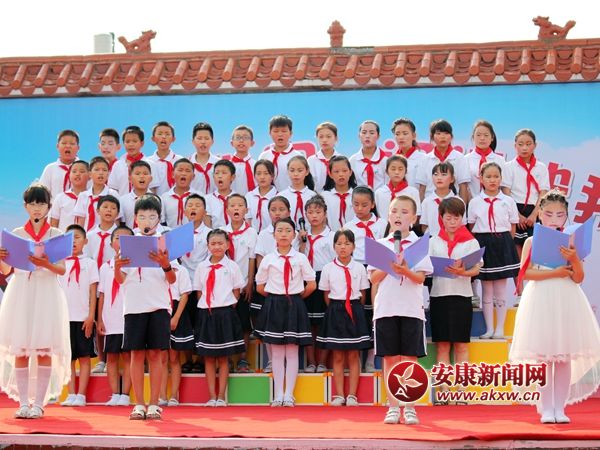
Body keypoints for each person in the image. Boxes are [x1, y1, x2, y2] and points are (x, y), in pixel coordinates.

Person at [510, 189, 600, 424]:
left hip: (566, 300)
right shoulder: (531, 241)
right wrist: (555, 273)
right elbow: (525, 274)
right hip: (541, 299)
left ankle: (560, 408)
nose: (553, 219)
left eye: (559, 215)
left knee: (563, 357)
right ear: (539, 214)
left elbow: (578, 277)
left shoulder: (571, 242)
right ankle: (546, 408)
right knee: (544, 357)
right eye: (548, 214)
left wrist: (573, 259)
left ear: (566, 216)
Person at [0, 184, 70, 419]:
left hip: (46, 292)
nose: (37, 208)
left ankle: (39, 404)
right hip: (21, 292)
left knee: (43, 349)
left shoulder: (56, 234)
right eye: (32, 204)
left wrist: (46, 264)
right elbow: (7, 270)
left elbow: (61, 269)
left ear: (49, 207)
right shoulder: (17, 233)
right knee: (20, 349)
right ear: (25, 207)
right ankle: (23, 403)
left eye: (41, 203)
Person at [369, 195, 433, 425]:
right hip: (386, 308)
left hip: (411, 308)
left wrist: (405, 270)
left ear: (414, 218)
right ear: (388, 215)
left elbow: (421, 278)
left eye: (405, 212)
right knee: (390, 359)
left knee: (409, 359)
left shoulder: (419, 245)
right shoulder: (380, 244)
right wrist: (389, 265)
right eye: (394, 211)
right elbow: (373, 278)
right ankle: (393, 407)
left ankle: (410, 407)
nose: (398, 216)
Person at [114, 194, 176, 420]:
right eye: (142, 217)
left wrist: (165, 264)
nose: (147, 221)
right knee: (136, 354)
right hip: (134, 306)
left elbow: (172, 280)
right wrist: (116, 267)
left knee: (156, 355)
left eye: (151, 216)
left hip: (158, 305)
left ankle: (154, 403)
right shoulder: (128, 244)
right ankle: (139, 403)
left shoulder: (165, 244)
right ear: (135, 219)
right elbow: (121, 280)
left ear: (159, 218)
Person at [255, 217, 316, 406]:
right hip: (274, 304)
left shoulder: (300, 258)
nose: (283, 234)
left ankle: (289, 394)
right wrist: (276, 298)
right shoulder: (268, 259)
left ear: (295, 235)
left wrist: (296, 298)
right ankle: (278, 394)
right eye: (279, 231)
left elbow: (311, 284)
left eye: (288, 231)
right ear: (273, 235)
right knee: (276, 353)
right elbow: (260, 286)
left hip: (294, 304)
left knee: (291, 351)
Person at [428, 197, 481, 404]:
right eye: (448, 218)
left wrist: (463, 272)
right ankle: (444, 391)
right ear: (441, 218)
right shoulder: (433, 241)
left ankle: (461, 391)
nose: (452, 222)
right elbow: (426, 268)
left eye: (456, 218)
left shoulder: (471, 241)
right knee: (442, 346)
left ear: (462, 218)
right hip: (439, 296)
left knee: (461, 346)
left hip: (462, 297)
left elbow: (477, 268)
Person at [317, 229, 371, 406]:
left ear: (354, 246)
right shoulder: (328, 268)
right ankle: (339, 395)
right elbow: (326, 295)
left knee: (354, 355)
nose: (343, 247)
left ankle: (352, 395)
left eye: (347, 243)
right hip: (335, 310)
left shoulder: (359, 268)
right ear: (334, 246)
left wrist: (355, 309)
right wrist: (336, 308)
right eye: (339, 243)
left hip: (354, 310)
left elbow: (363, 293)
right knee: (338, 356)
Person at [193, 229, 246, 406]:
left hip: (225, 314)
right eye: (213, 243)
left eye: (220, 243)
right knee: (208, 357)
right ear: (208, 246)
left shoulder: (232, 266)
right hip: (206, 314)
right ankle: (211, 396)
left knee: (223, 357)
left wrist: (226, 306)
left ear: (228, 245)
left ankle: (221, 396)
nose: (217, 247)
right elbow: (199, 291)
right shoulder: (201, 267)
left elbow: (237, 292)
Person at [468, 162, 520, 339]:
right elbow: (472, 227)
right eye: (488, 176)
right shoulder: (475, 202)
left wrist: (504, 243)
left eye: (496, 176)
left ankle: (500, 329)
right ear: (481, 179)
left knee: (500, 290)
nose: (492, 180)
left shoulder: (508, 201)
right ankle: (489, 328)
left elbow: (513, 227)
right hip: (483, 243)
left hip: (502, 242)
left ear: (501, 179)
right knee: (486, 290)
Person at [501, 129, 550, 295]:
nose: (524, 148)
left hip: (535, 211)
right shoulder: (508, 167)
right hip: (515, 210)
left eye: (528, 144)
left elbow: (543, 192)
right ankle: (520, 294)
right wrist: (517, 215)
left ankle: (535, 292)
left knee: (535, 255)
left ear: (535, 145)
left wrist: (535, 214)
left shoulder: (541, 167)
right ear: (515, 146)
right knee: (517, 256)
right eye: (520, 144)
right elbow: (506, 192)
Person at [59, 224, 99, 407]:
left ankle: (81, 395)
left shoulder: (90, 264)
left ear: (85, 241)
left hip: (83, 318)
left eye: (77, 237)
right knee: (68, 358)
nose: (73, 241)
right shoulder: (60, 264)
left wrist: (91, 316)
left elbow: (93, 291)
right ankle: (70, 393)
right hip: (63, 317)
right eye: (70, 238)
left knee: (84, 357)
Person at [297, 195, 335, 373]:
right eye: (310, 212)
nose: (314, 216)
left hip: (324, 279)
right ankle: (311, 361)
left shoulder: (331, 236)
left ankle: (322, 362)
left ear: (325, 214)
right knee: (308, 324)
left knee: (324, 324)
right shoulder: (301, 237)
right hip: (306, 279)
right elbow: (298, 257)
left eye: (318, 212)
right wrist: (301, 242)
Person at [97, 226, 133, 407]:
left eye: (126, 238)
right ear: (111, 244)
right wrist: (100, 319)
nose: (122, 242)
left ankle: (125, 394)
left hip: (128, 317)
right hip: (111, 318)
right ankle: (114, 393)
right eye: (118, 238)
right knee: (111, 357)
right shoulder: (105, 267)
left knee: (127, 357)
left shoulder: (135, 265)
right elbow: (102, 294)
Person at [222, 194, 258, 373]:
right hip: (225, 287)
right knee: (227, 323)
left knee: (244, 323)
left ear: (246, 210)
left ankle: (243, 359)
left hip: (243, 285)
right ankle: (228, 358)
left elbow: (252, 258)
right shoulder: (222, 232)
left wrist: (250, 282)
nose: (236, 208)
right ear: (227, 210)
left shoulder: (251, 232)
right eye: (232, 205)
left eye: (240, 205)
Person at [160, 259, 194, 407]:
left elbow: (184, 295)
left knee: (174, 357)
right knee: (161, 358)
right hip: (159, 309)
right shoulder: (155, 269)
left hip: (176, 310)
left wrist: (176, 318)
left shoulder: (181, 270)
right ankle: (161, 395)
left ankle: (174, 395)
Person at [415, 120, 470, 205]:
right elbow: (422, 188)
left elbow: (463, 187)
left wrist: (462, 209)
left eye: (446, 133)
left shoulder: (460, 158)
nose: (442, 136)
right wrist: (421, 209)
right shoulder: (425, 159)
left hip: (453, 205)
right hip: (430, 204)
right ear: (432, 137)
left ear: (451, 136)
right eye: (438, 133)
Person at [108, 126, 159, 196]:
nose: (131, 144)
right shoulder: (118, 165)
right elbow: (113, 189)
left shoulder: (151, 164)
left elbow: (153, 189)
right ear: (123, 143)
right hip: (122, 202)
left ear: (142, 143)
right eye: (127, 141)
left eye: (134, 141)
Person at [420, 162, 466, 237]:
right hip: (432, 239)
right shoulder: (427, 202)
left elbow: (462, 225)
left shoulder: (459, 201)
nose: (439, 178)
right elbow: (424, 226)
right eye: (436, 174)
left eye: (444, 174)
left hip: (453, 239)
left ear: (452, 179)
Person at [258, 115, 301, 191]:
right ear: (270, 133)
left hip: (291, 196)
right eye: (276, 131)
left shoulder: (298, 156)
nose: (280, 134)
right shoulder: (264, 156)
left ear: (291, 133)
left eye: (284, 131)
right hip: (268, 196)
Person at [465, 120, 505, 197]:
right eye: (478, 135)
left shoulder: (500, 160)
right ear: (473, 137)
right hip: (472, 202)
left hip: (495, 202)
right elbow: (464, 186)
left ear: (492, 138)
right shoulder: (465, 159)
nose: (482, 138)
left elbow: (503, 186)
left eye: (486, 135)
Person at [375, 155, 421, 222]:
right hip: (384, 227)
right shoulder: (379, 192)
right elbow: (379, 215)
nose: (397, 172)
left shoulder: (413, 192)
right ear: (387, 171)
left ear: (406, 171)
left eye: (400, 169)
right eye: (393, 169)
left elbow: (416, 215)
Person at [49, 160, 89, 231]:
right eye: (74, 171)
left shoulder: (91, 198)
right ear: (69, 175)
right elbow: (54, 224)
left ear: (90, 175)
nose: (77, 174)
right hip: (64, 236)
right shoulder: (60, 198)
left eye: (82, 171)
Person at [39, 129, 80, 198]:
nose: (68, 146)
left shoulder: (86, 169)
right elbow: (41, 194)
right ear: (57, 146)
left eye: (72, 144)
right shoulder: (50, 169)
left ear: (78, 148)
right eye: (64, 143)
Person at [321, 155, 357, 232]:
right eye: (336, 171)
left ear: (350, 172)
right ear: (330, 174)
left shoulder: (357, 194)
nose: (341, 174)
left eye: (344, 171)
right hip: (332, 236)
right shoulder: (324, 196)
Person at [349, 120, 388, 191]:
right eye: (364, 133)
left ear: (378, 136)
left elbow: (388, 185)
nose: (367, 136)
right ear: (359, 136)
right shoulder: (353, 160)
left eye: (372, 133)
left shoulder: (385, 160)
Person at [147, 121, 183, 195]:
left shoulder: (180, 161)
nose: (163, 137)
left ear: (173, 139)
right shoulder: (147, 162)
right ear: (153, 138)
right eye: (160, 134)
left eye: (167, 134)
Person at [279, 155, 317, 225]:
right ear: (288, 171)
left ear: (307, 171)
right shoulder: (281, 196)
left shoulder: (313, 196)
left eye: (300, 170)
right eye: (292, 170)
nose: (296, 174)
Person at [160, 158, 197, 228]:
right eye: (180, 170)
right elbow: (162, 221)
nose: (183, 173)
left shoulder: (199, 196)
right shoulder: (164, 198)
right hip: (170, 234)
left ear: (193, 176)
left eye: (187, 171)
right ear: (172, 174)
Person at [390, 118, 426, 188]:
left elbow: (424, 186)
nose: (401, 137)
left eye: (405, 133)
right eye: (397, 134)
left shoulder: (424, 158)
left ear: (414, 136)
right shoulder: (391, 160)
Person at [245, 159, 277, 233]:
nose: (262, 177)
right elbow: (248, 219)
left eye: (266, 173)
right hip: (253, 235)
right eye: (258, 174)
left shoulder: (278, 196)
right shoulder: (249, 196)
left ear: (272, 176)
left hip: (273, 235)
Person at [222, 125, 257, 194]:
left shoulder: (256, 165)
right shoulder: (226, 165)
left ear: (252, 143)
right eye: (238, 137)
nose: (241, 140)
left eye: (245, 137)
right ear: (232, 143)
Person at [120, 160, 154, 229]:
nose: (141, 176)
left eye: (145, 173)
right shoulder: (122, 200)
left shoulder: (157, 200)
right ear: (130, 179)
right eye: (137, 174)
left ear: (151, 178)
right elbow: (121, 224)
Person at [189, 122, 221, 195]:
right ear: (193, 141)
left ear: (212, 141)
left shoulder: (219, 164)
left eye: (206, 138)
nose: (203, 142)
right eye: (199, 138)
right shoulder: (187, 164)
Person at [308, 122, 340, 193]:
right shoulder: (311, 160)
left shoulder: (342, 160)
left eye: (328, 136)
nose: (324, 140)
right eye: (321, 137)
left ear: (336, 138)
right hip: (316, 197)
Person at [206, 159, 236, 229]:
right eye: (217, 173)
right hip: (214, 234)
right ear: (213, 176)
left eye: (224, 173)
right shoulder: (207, 199)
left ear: (232, 177)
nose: (220, 176)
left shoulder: (239, 199)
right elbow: (207, 225)